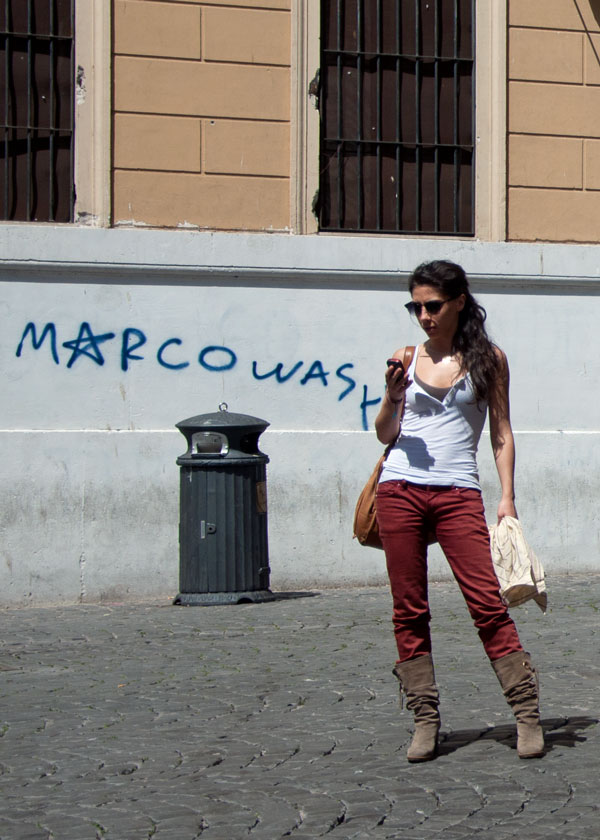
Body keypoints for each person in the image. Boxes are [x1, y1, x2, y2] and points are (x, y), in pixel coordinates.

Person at [374, 260, 544, 763]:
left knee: (486, 603)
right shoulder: (405, 358)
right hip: (399, 489)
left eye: (432, 305)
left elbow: (501, 432)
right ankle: (425, 720)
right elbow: (385, 433)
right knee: (409, 608)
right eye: (416, 307)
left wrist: (507, 496)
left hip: (457, 492)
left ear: (459, 302)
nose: (424, 316)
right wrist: (391, 396)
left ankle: (526, 714)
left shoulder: (489, 360)